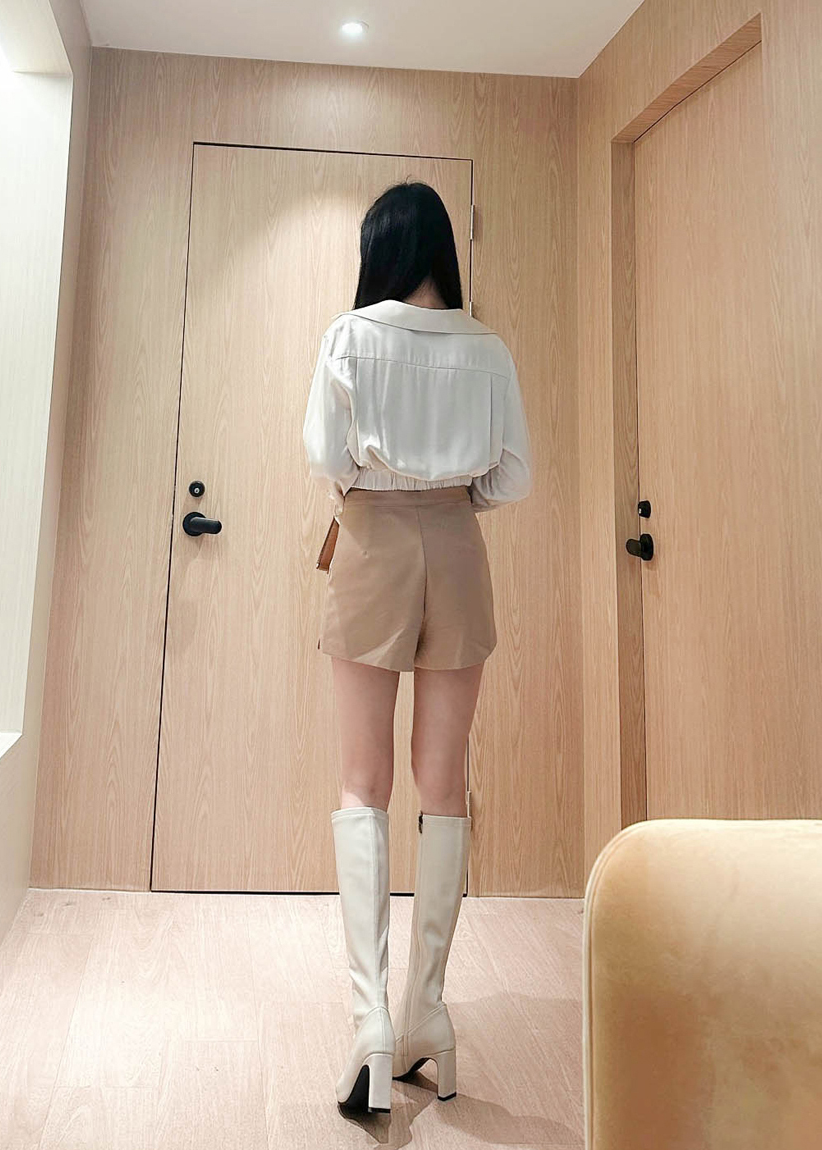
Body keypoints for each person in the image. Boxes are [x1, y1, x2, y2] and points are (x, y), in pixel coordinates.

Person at [302, 180, 533, 1115]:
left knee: (363, 782)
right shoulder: (488, 348)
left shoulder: (350, 336)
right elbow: (511, 476)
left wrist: (387, 483)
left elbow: (326, 456)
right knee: (445, 784)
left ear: (379, 252)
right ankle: (427, 1011)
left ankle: (371, 1023)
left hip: (371, 539)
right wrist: (450, 497)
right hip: (458, 547)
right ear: (443, 250)